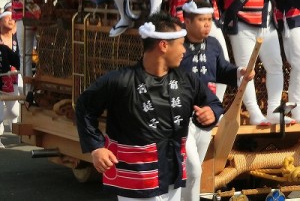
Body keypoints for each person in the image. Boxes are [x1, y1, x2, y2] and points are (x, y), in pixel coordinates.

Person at [76, 12, 223, 200]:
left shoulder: (186, 80)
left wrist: (211, 113)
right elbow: (84, 107)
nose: (185, 50)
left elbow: (212, 103)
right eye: (181, 44)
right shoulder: (120, 81)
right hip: (137, 179)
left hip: (172, 172)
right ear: (163, 46)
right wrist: (96, 147)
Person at [179, 0, 253, 201]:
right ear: (186, 21)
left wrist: (239, 72)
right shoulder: (177, 46)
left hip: (206, 116)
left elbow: (222, 69)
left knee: (195, 172)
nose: (207, 24)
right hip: (181, 117)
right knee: (191, 168)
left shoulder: (213, 44)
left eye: (209, 19)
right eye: (201, 20)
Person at [221, 0, 288, 126]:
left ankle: (274, 109)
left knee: (275, 66)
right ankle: (254, 112)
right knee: (246, 69)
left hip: (266, 22)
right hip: (242, 22)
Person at [0, 5, 20, 140]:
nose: (11, 19)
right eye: (7, 16)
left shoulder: (18, 39)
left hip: (13, 80)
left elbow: (19, 61)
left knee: (14, 112)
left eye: (13, 17)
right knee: (0, 114)